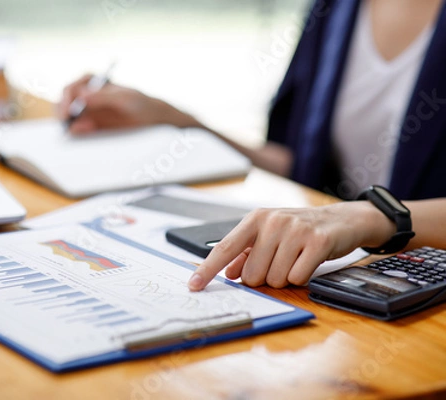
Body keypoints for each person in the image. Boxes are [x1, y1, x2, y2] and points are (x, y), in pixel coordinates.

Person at [58, 0, 446, 288]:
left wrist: (370, 218)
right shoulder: (336, 9)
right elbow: (299, 166)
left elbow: (347, 213)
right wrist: (176, 121)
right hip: (355, 284)